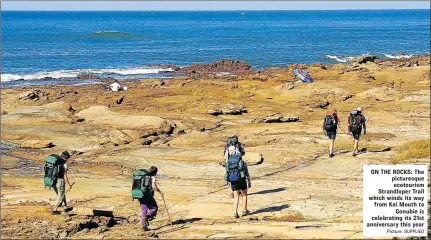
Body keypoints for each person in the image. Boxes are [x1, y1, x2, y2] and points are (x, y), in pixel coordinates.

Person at [225, 145, 251, 218]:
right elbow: (246, 172)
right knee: (244, 195)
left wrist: (228, 182)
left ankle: (235, 212)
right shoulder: (241, 161)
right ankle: (244, 210)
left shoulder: (228, 162)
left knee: (236, 197)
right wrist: (249, 181)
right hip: (242, 180)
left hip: (233, 180)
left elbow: (227, 173)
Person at [139, 166, 161, 231]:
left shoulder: (142, 175)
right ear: (155, 172)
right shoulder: (152, 176)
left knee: (144, 210)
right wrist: (160, 192)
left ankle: (144, 227)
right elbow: (154, 187)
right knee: (154, 208)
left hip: (140, 194)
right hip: (147, 195)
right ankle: (147, 216)